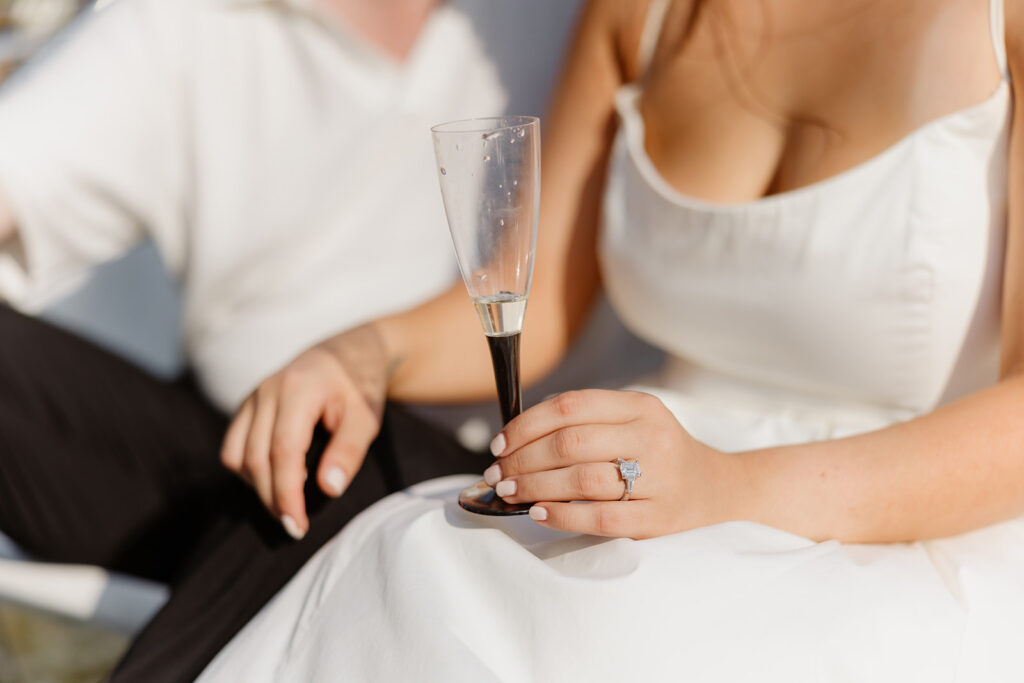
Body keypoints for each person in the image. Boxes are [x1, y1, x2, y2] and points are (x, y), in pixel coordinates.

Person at [202, 0, 1024, 679]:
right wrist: (362, 352)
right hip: (650, 477)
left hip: (910, 519)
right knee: (415, 555)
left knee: (602, 635)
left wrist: (725, 486)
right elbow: (537, 291)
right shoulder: (641, 14)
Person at [0, 0, 571, 679]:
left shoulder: (564, 19)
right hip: (233, 454)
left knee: (338, 442)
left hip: (472, 474)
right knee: (307, 450)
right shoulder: (188, 19)